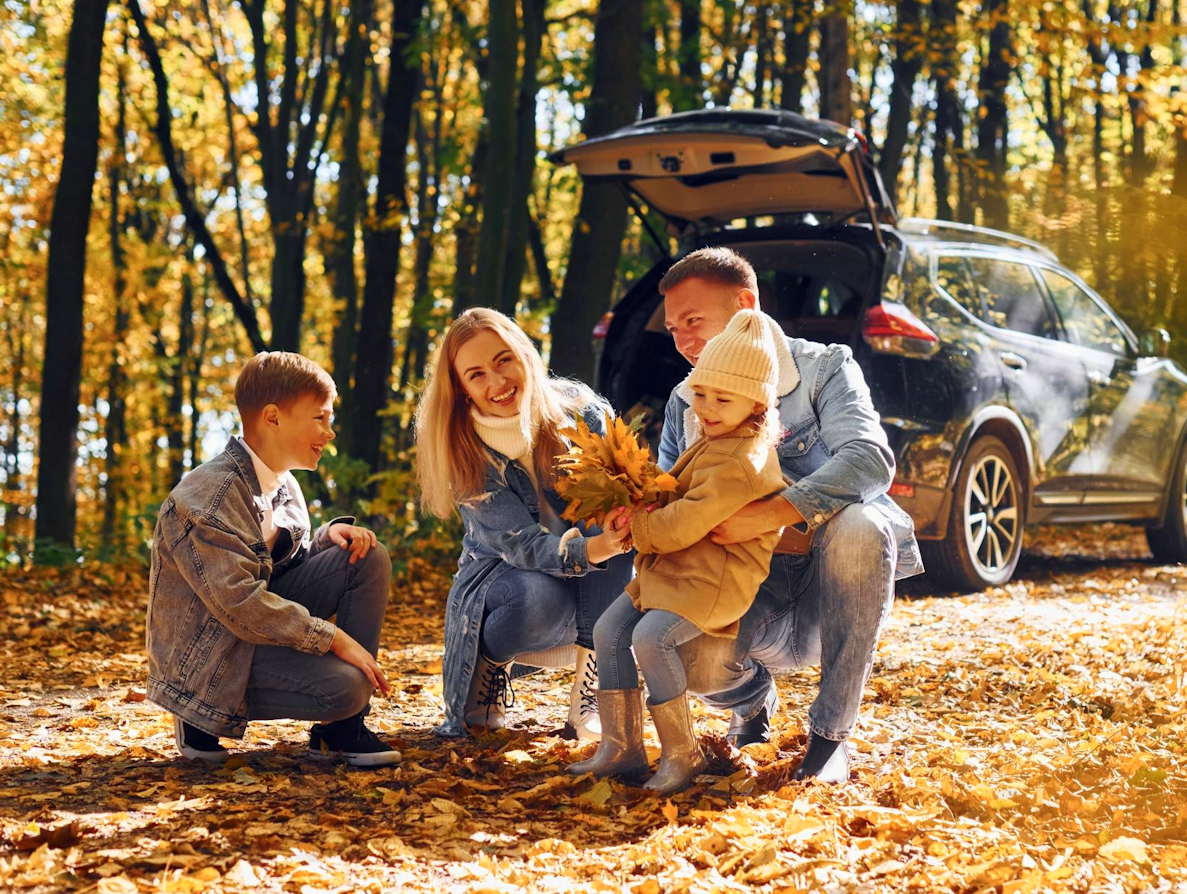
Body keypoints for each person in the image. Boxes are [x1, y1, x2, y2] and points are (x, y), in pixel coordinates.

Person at [657, 248, 924, 782]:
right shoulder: (685, 401)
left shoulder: (824, 368)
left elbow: (870, 460)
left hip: (829, 596)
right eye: (672, 328)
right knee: (684, 657)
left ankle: (829, 742)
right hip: (743, 589)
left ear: (745, 306)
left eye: (693, 321)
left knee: (860, 524)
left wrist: (769, 514)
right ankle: (752, 701)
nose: (684, 340)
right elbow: (668, 501)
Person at [568, 310, 787, 793]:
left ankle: (681, 753)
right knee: (609, 629)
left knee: (651, 639)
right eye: (701, 393)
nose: (706, 407)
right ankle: (622, 745)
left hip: (713, 579)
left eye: (721, 398)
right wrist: (638, 505)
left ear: (757, 404)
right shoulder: (717, 438)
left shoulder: (744, 459)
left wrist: (640, 528)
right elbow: (676, 496)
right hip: (677, 567)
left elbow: (687, 521)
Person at [147, 352, 399, 768]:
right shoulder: (208, 498)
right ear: (273, 417)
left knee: (365, 557)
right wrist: (334, 640)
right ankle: (199, 716)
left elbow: (281, 568)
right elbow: (241, 602)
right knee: (346, 687)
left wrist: (325, 540)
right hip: (209, 659)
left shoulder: (284, 484)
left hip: (251, 632)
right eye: (320, 418)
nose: (330, 433)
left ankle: (340, 731)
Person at [415, 308, 633, 739]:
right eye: (476, 375)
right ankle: (490, 666)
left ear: (525, 356)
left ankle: (591, 695)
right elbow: (523, 547)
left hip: (596, 592)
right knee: (531, 594)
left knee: (607, 516)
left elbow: (626, 489)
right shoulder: (465, 452)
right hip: (514, 589)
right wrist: (598, 548)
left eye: (503, 361)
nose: (497, 382)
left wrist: (615, 530)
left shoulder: (580, 411)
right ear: (462, 391)